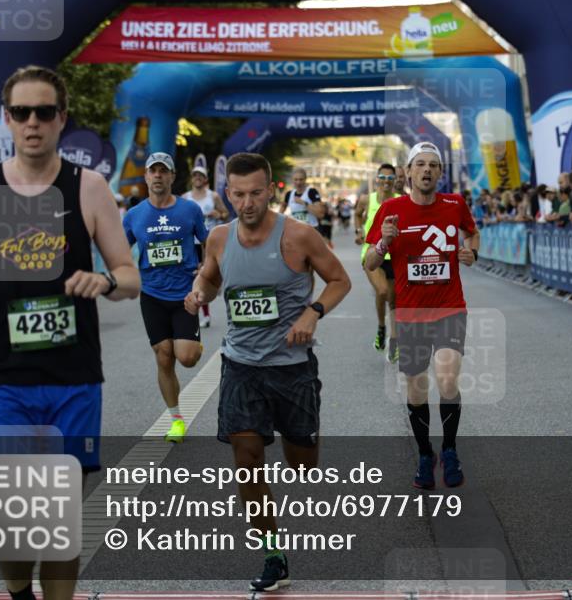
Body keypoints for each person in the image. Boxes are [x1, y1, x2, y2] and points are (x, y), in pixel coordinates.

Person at [0, 65, 139, 600]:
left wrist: (103, 280)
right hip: (2, 372)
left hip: (71, 375)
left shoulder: (88, 186)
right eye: (21, 113)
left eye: (44, 112)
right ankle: (18, 594)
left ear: (61, 118)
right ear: (7, 119)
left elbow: (130, 278)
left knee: (58, 515)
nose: (33, 123)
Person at [184, 152, 350, 592]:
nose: (247, 202)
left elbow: (340, 281)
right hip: (240, 365)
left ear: (272, 189)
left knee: (302, 465)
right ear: (227, 193)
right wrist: (199, 291)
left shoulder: (300, 236)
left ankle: (305, 434)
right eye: (238, 194)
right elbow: (211, 277)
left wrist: (312, 313)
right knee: (247, 459)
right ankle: (274, 552)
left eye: (256, 192)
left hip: (292, 368)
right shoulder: (219, 237)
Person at [365, 142, 479, 490]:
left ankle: (449, 449)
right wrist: (384, 243)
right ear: (409, 172)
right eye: (420, 165)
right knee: (416, 388)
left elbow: (471, 233)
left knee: (446, 382)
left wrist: (471, 251)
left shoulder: (454, 204)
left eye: (433, 165)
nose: (427, 170)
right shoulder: (391, 209)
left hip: (449, 308)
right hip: (411, 314)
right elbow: (369, 263)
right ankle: (425, 454)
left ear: (440, 173)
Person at [125, 152, 209, 443]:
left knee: (185, 357)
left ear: (173, 177)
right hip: (152, 294)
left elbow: (208, 243)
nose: (158, 176)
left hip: (184, 294)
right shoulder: (134, 215)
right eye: (153, 171)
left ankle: (193, 342)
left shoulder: (190, 210)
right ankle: (176, 419)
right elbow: (120, 249)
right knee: (163, 356)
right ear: (146, 177)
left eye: (164, 171)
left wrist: (205, 269)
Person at [354, 163, 402, 361]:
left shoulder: (402, 200)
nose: (386, 182)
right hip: (372, 255)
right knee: (382, 291)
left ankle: (394, 339)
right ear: (377, 179)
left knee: (393, 299)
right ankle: (382, 327)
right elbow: (357, 214)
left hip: (396, 256)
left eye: (390, 179)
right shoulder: (367, 199)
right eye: (382, 178)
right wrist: (359, 231)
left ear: (395, 181)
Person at [182, 164, 229, 327]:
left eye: (200, 176)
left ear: (205, 179)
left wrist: (219, 214)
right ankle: (202, 314)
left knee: (204, 275)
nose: (197, 178)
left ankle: (215, 285)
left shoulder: (213, 196)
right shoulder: (185, 197)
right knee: (194, 277)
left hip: (209, 242)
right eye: (195, 175)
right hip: (191, 243)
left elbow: (225, 214)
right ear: (191, 179)